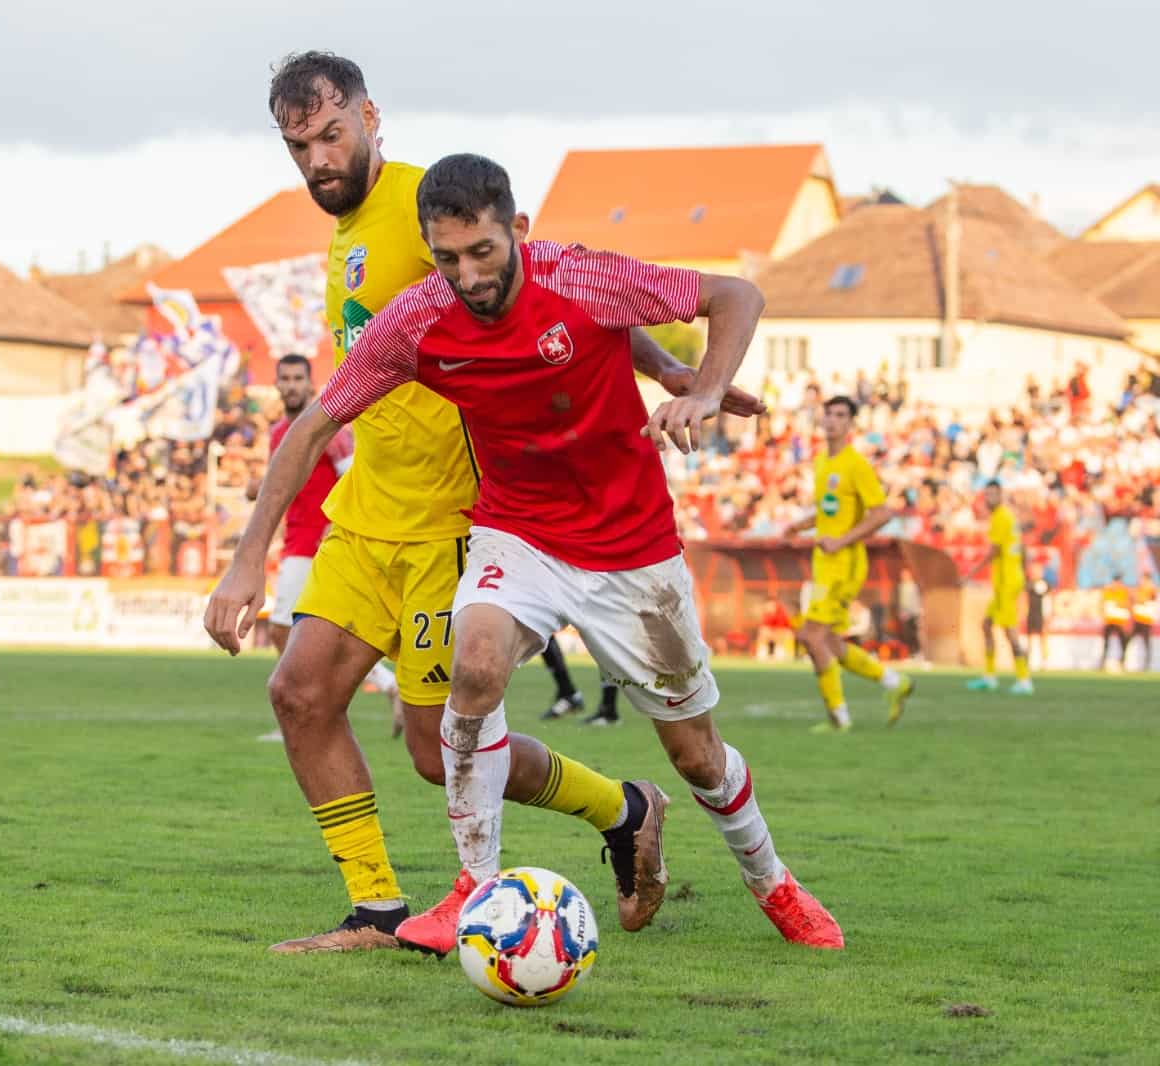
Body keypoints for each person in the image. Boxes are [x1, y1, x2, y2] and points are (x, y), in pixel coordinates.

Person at [207, 151, 839, 952]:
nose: (468, 277)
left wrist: (703, 385)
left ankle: (773, 883)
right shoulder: (417, 319)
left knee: (697, 755)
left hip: (629, 545)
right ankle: (473, 886)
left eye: (484, 253)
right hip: (517, 528)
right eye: (448, 259)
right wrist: (246, 557)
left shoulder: (581, 277)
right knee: (474, 667)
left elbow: (734, 296)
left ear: (520, 232)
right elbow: (314, 425)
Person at [248, 353, 399, 740]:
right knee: (299, 631)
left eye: (299, 377)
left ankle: (301, 712)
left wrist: (338, 524)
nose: (292, 385)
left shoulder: (325, 429)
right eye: (286, 378)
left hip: (316, 542)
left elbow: (352, 473)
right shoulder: (281, 431)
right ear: (277, 384)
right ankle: (383, 686)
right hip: (297, 539)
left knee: (283, 629)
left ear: (310, 382)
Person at [785, 396, 914, 731]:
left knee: (811, 636)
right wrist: (801, 525)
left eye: (840, 415)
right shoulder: (825, 460)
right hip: (826, 562)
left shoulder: (856, 463)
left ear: (850, 423)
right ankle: (893, 682)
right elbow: (831, 510)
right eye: (828, 413)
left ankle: (838, 718)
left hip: (843, 563)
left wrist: (841, 540)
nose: (831, 420)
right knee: (830, 642)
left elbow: (883, 512)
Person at [965, 482, 1032, 693]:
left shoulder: (1001, 518)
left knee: (1009, 630)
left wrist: (969, 574)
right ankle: (990, 676)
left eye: (994, 494)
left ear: (1001, 496)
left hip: (1007, 582)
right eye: (987, 495)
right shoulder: (1007, 516)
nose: (989, 498)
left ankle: (1024, 679)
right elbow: (1022, 549)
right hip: (1009, 580)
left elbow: (993, 551)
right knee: (986, 625)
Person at [1101, 582, 1132, 672]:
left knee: (1123, 642)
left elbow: (1127, 605)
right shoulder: (1108, 592)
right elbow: (1103, 604)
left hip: (1120, 622)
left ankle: (1122, 662)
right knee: (1106, 643)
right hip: (1110, 621)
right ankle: (1103, 662)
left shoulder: (1124, 593)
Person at [1025, 566, 1049, 670]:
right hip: (1031, 614)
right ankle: (1028, 661)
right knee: (1029, 639)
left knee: (1042, 638)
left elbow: (1048, 598)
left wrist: (1048, 615)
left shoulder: (1045, 584)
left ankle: (1044, 662)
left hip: (1041, 615)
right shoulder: (1029, 584)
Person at [1132, 578, 1157, 673]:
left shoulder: (1151, 591)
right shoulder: (1139, 591)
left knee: (1147, 643)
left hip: (1146, 621)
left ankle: (1147, 663)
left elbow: (1152, 598)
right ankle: (1122, 660)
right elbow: (1135, 599)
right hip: (1138, 620)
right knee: (1128, 639)